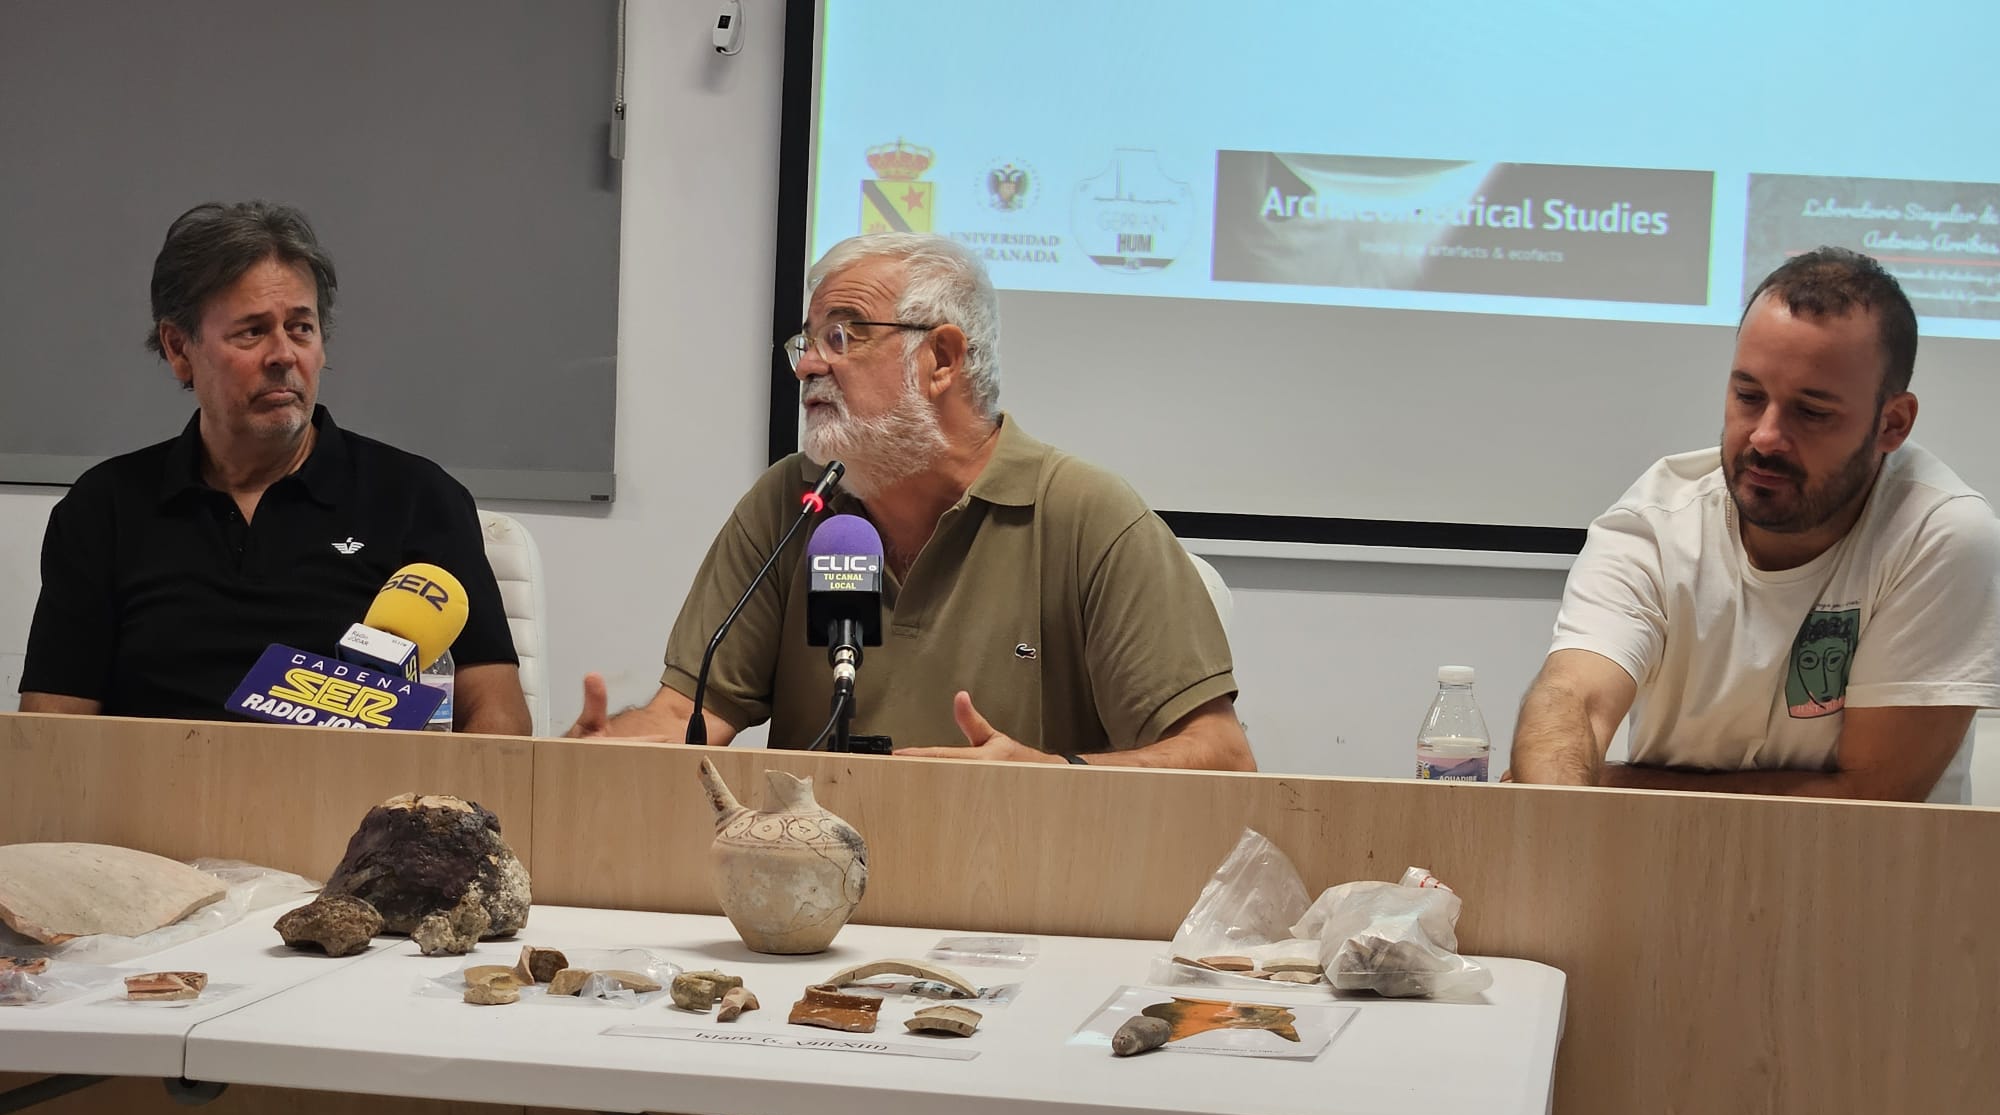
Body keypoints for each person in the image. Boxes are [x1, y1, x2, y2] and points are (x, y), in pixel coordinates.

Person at [569, 232, 1252, 769]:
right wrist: (601, 754)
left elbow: (1220, 759)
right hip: (811, 903)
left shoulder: (1083, 515)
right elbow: (685, 716)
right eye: (807, 342)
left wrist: (1056, 774)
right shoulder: (790, 502)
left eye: (844, 334)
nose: (809, 364)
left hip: (1014, 904)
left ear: (943, 360)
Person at [19, 201, 530, 734]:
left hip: (354, 808)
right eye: (252, 332)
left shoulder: (417, 497)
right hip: (155, 806)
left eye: (301, 328)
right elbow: (54, 733)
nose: (284, 354)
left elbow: (495, 723)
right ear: (178, 348)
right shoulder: (104, 507)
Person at [1509, 247, 2000, 802]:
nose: (1764, 436)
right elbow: (1573, 699)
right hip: (1662, 868)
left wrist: (1624, 784)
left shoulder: (1941, 531)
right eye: (1748, 396)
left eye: (1811, 412)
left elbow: (1873, 800)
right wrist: (1555, 804)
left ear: (1892, 423)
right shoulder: (1657, 520)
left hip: (1870, 879)